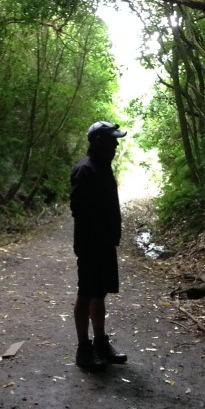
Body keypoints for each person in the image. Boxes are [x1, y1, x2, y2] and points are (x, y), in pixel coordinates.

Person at [70, 120, 129, 371]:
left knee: (100, 292)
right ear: (98, 141)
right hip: (91, 245)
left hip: (104, 244)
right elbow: (79, 210)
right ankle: (84, 349)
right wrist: (94, 239)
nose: (116, 144)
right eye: (112, 139)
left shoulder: (103, 166)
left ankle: (100, 343)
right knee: (86, 293)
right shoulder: (85, 169)